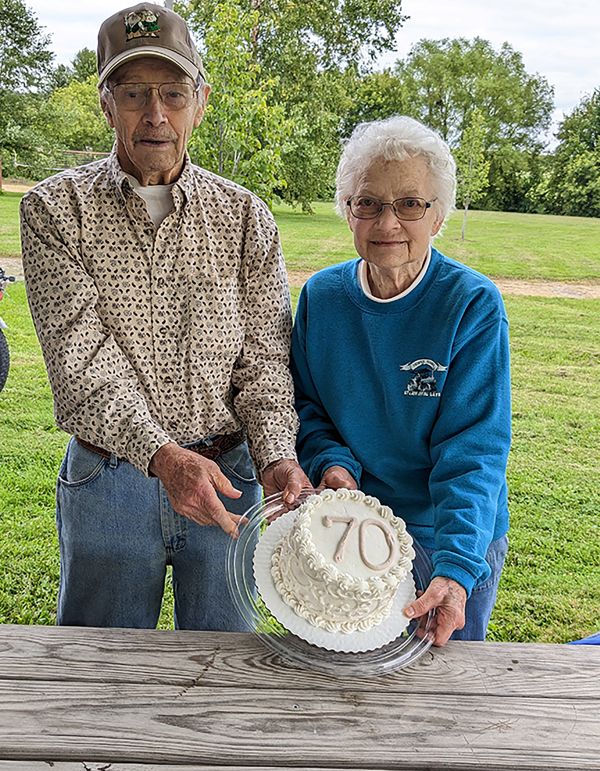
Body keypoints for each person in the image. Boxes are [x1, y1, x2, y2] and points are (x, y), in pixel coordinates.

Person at [20, 3, 308, 631]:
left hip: (230, 478)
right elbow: (80, 362)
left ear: (199, 102)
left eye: (173, 93)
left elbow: (263, 359)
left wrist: (277, 458)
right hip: (111, 479)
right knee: (102, 673)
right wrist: (164, 456)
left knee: (218, 668)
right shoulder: (53, 210)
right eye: (134, 93)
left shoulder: (244, 216)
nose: (156, 114)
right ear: (106, 102)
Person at [291, 116, 511, 646]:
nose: (388, 222)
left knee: (440, 684)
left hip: (447, 532)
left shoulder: (472, 305)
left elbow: (473, 450)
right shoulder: (321, 299)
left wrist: (457, 568)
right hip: (352, 528)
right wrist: (333, 464)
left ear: (437, 217)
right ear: (348, 211)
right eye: (368, 203)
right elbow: (307, 408)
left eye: (410, 204)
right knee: (341, 677)